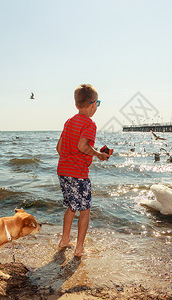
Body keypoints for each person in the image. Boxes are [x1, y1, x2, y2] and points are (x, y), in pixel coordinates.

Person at [56, 84, 110, 257]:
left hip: (63, 171)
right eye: (98, 104)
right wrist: (98, 155)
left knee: (71, 207)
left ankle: (65, 240)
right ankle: (79, 249)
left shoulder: (69, 122)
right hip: (78, 174)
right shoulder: (89, 124)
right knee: (84, 210)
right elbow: (82, 146)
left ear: (77, 105)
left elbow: (59, 148)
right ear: (93, 104)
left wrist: (70, 157)